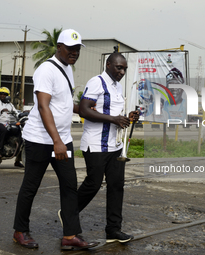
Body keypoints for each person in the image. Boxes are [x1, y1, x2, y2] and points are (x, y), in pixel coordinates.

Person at [13, 29, 97, 251]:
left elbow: (64, 103)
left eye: (78, 49)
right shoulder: (46, 70)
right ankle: (20, 231)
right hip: (40, 139)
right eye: (71, 48)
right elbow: (43, 106)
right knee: (30, 186)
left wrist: (83, 109)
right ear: (59, 47)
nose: (75, 53)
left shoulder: (67, 70)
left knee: (70, 186)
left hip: (62, 139)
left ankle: (70, 236)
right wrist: (56, 141)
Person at [78, 52, 139, 243]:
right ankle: (69, 212)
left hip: (114, 145)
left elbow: (115, 112)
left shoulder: (117, 87)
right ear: (108, 65)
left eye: (124, 69)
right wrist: (113, 119)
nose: (122, 72)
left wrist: (128, 116)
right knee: (93, 184)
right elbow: (84, 109)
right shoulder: (97, 82)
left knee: (116, 186)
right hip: (96, 144)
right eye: (118, 67)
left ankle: (113, 230)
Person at [0, 87, 23, 167]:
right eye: (1, 94)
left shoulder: (10, 104)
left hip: (7, 124)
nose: (3, 96)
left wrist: (22, 114)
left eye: (5, 94)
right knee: (3, 130)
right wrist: (0, 111)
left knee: (19, 132)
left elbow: (16, 112)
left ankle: (17, 160)